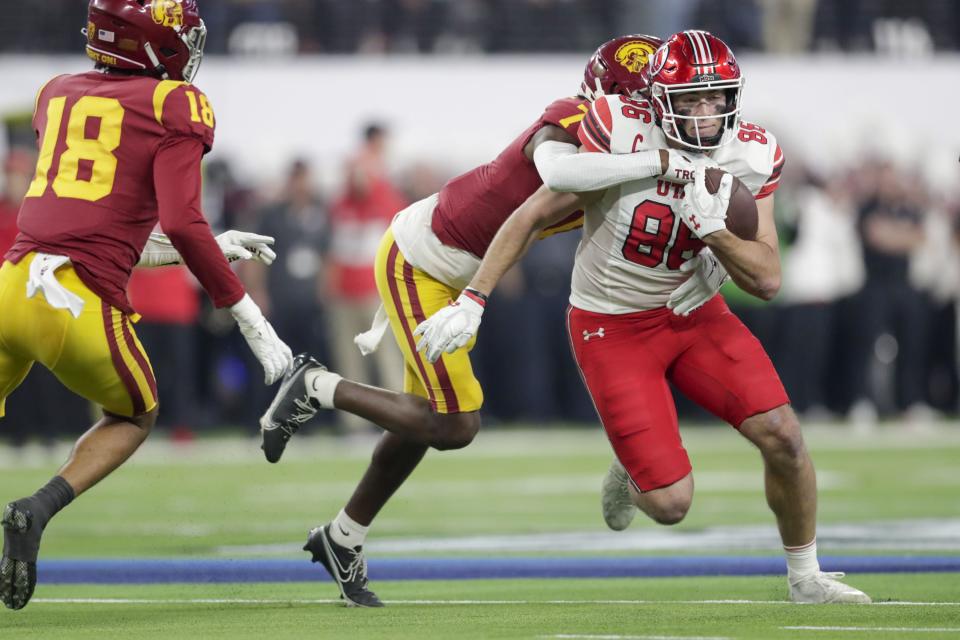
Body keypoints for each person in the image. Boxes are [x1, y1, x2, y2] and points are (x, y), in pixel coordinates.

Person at [260, 34, 723, 607]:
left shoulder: (645, 149)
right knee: (456, 424)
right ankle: (315, 384)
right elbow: (562, 174)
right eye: (647, 106)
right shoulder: (572, 119)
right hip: (421, 259)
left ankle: (342, 536)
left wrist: (710, 254)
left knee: (424, 422)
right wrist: (659, 161)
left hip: (453, 269)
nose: (657, 120)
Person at [414, 30, 870, 605]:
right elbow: (531, 213)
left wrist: (717, 242)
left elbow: (769, 275)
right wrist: (474, 296)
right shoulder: (619, 128)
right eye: (691, 99)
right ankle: (633, 475)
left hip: (693, 312)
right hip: (612, 325)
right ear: (657, 100)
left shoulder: (752, 152)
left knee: (783, 435)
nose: (706, 113)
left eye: (716, 98)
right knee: (672, 504)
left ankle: (806, 577)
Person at [0, 0, 293, 610]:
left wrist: (203, 248)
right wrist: (249, 316)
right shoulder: (175, 103)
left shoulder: (56, 93)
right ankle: (38, 508)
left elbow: (94, 225)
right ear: (152, 43)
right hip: (75, 305)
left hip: (12, 284)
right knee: (135, 416)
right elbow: (181, 221)